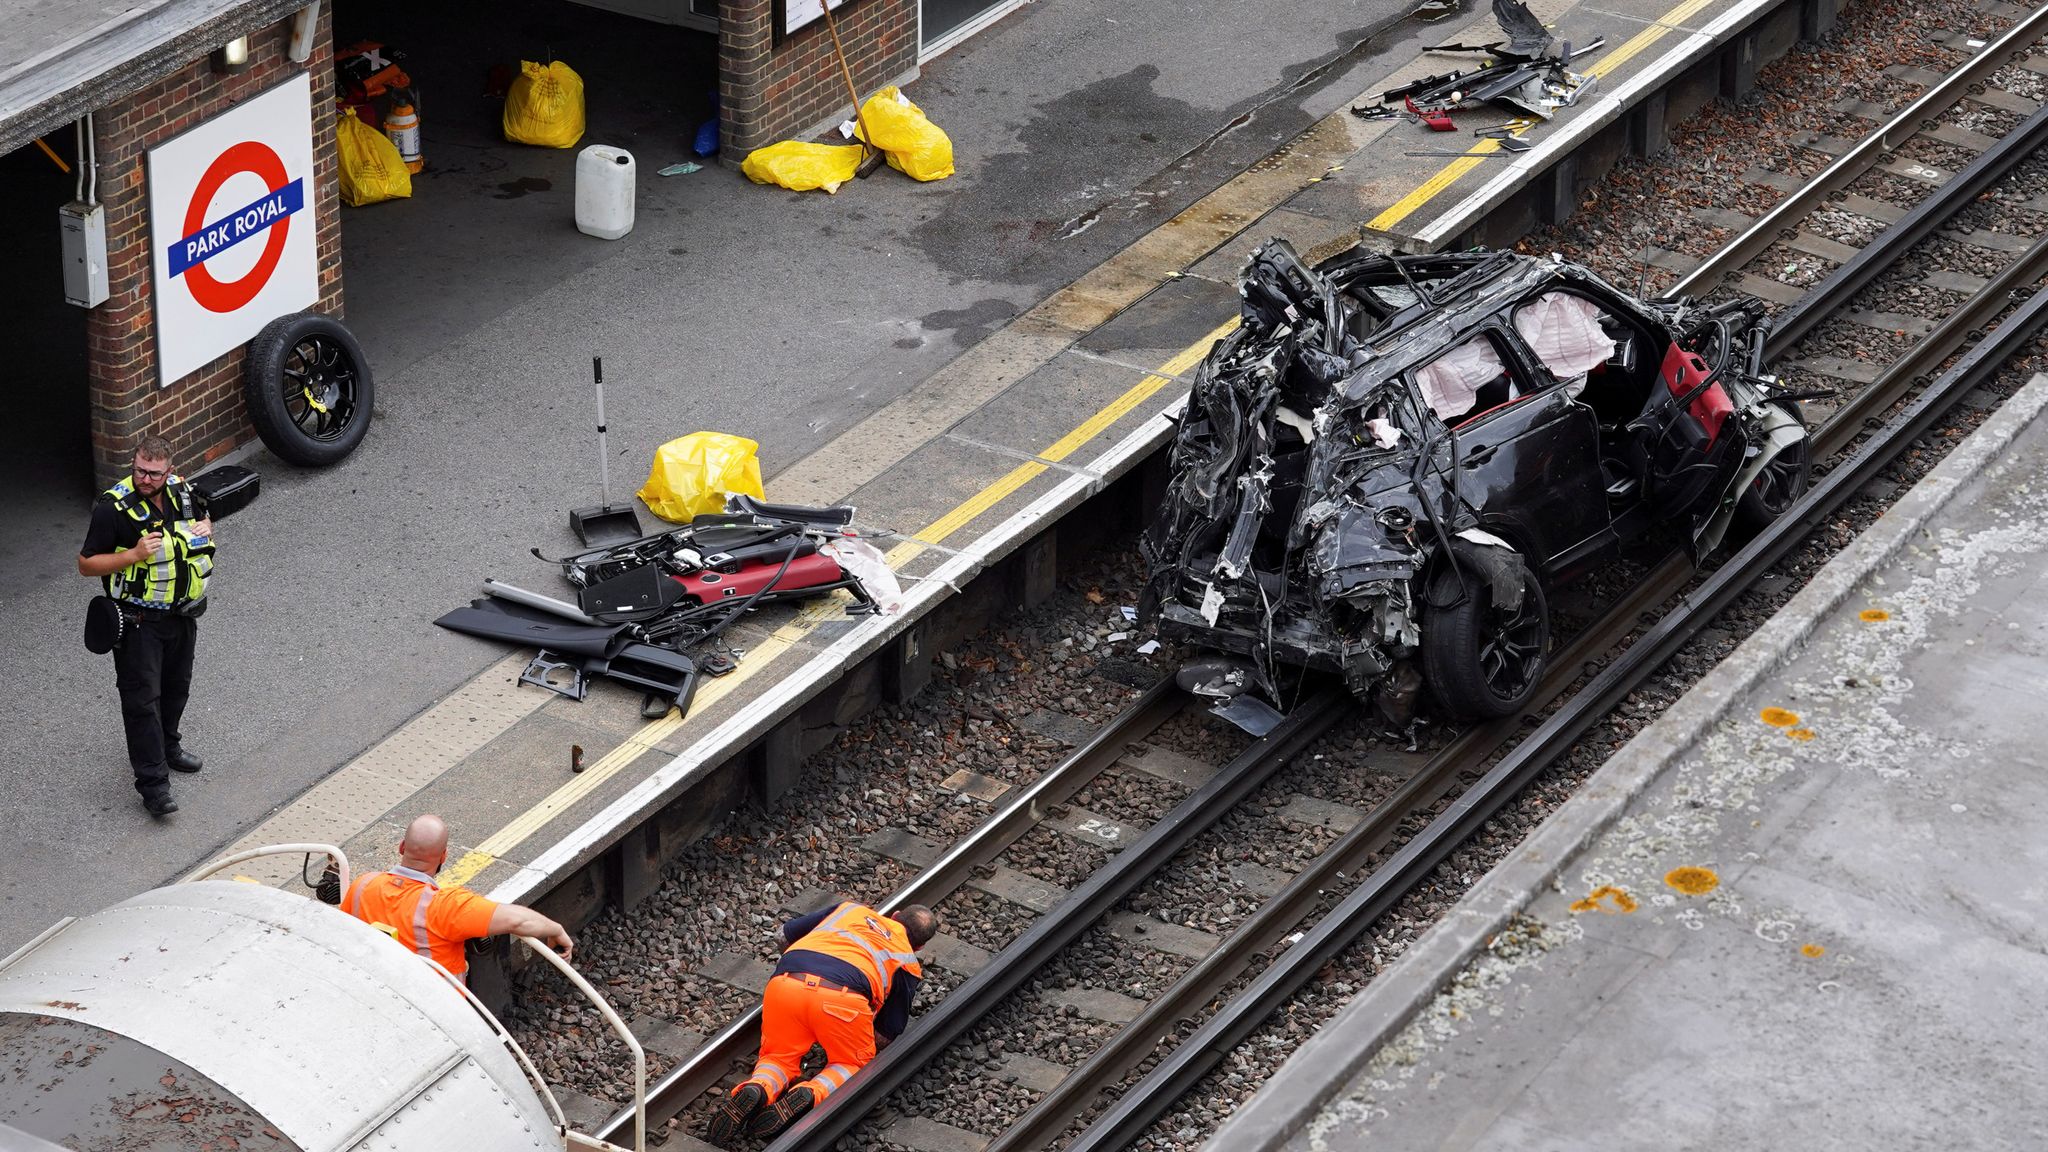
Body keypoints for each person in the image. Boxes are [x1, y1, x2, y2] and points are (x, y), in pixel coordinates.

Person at [709, 900, 938, 1145]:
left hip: (785, 984)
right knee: (853, 1063)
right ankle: (809, 1092)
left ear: (895, 915)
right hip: (841, 999)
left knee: (777, 1057)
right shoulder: (907, 960)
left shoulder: (851, 910)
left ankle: (759, 1087)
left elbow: (783, 937)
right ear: (920, 946)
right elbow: (885, 1035)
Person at [77, 436, 215, 817]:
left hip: (181, 615)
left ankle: (169, 747)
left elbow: (198, 529)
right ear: (133, 464)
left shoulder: (181, 492)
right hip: (137, 622)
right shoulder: (113, 508)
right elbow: (86, 564)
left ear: (169, 470)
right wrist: (135, 554)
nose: (146, 478)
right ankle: (153, 788)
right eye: (140, 469)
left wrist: (206, 526)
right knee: (141, 703)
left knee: (176, 690)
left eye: (154, 473)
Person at [339, 814, 574, 981]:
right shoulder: (446, 906)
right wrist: (556, 930)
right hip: (438, 1012)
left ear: (402, 847)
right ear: (444, 856)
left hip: (373, 990)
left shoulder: (363, 884)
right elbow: (518, 921)